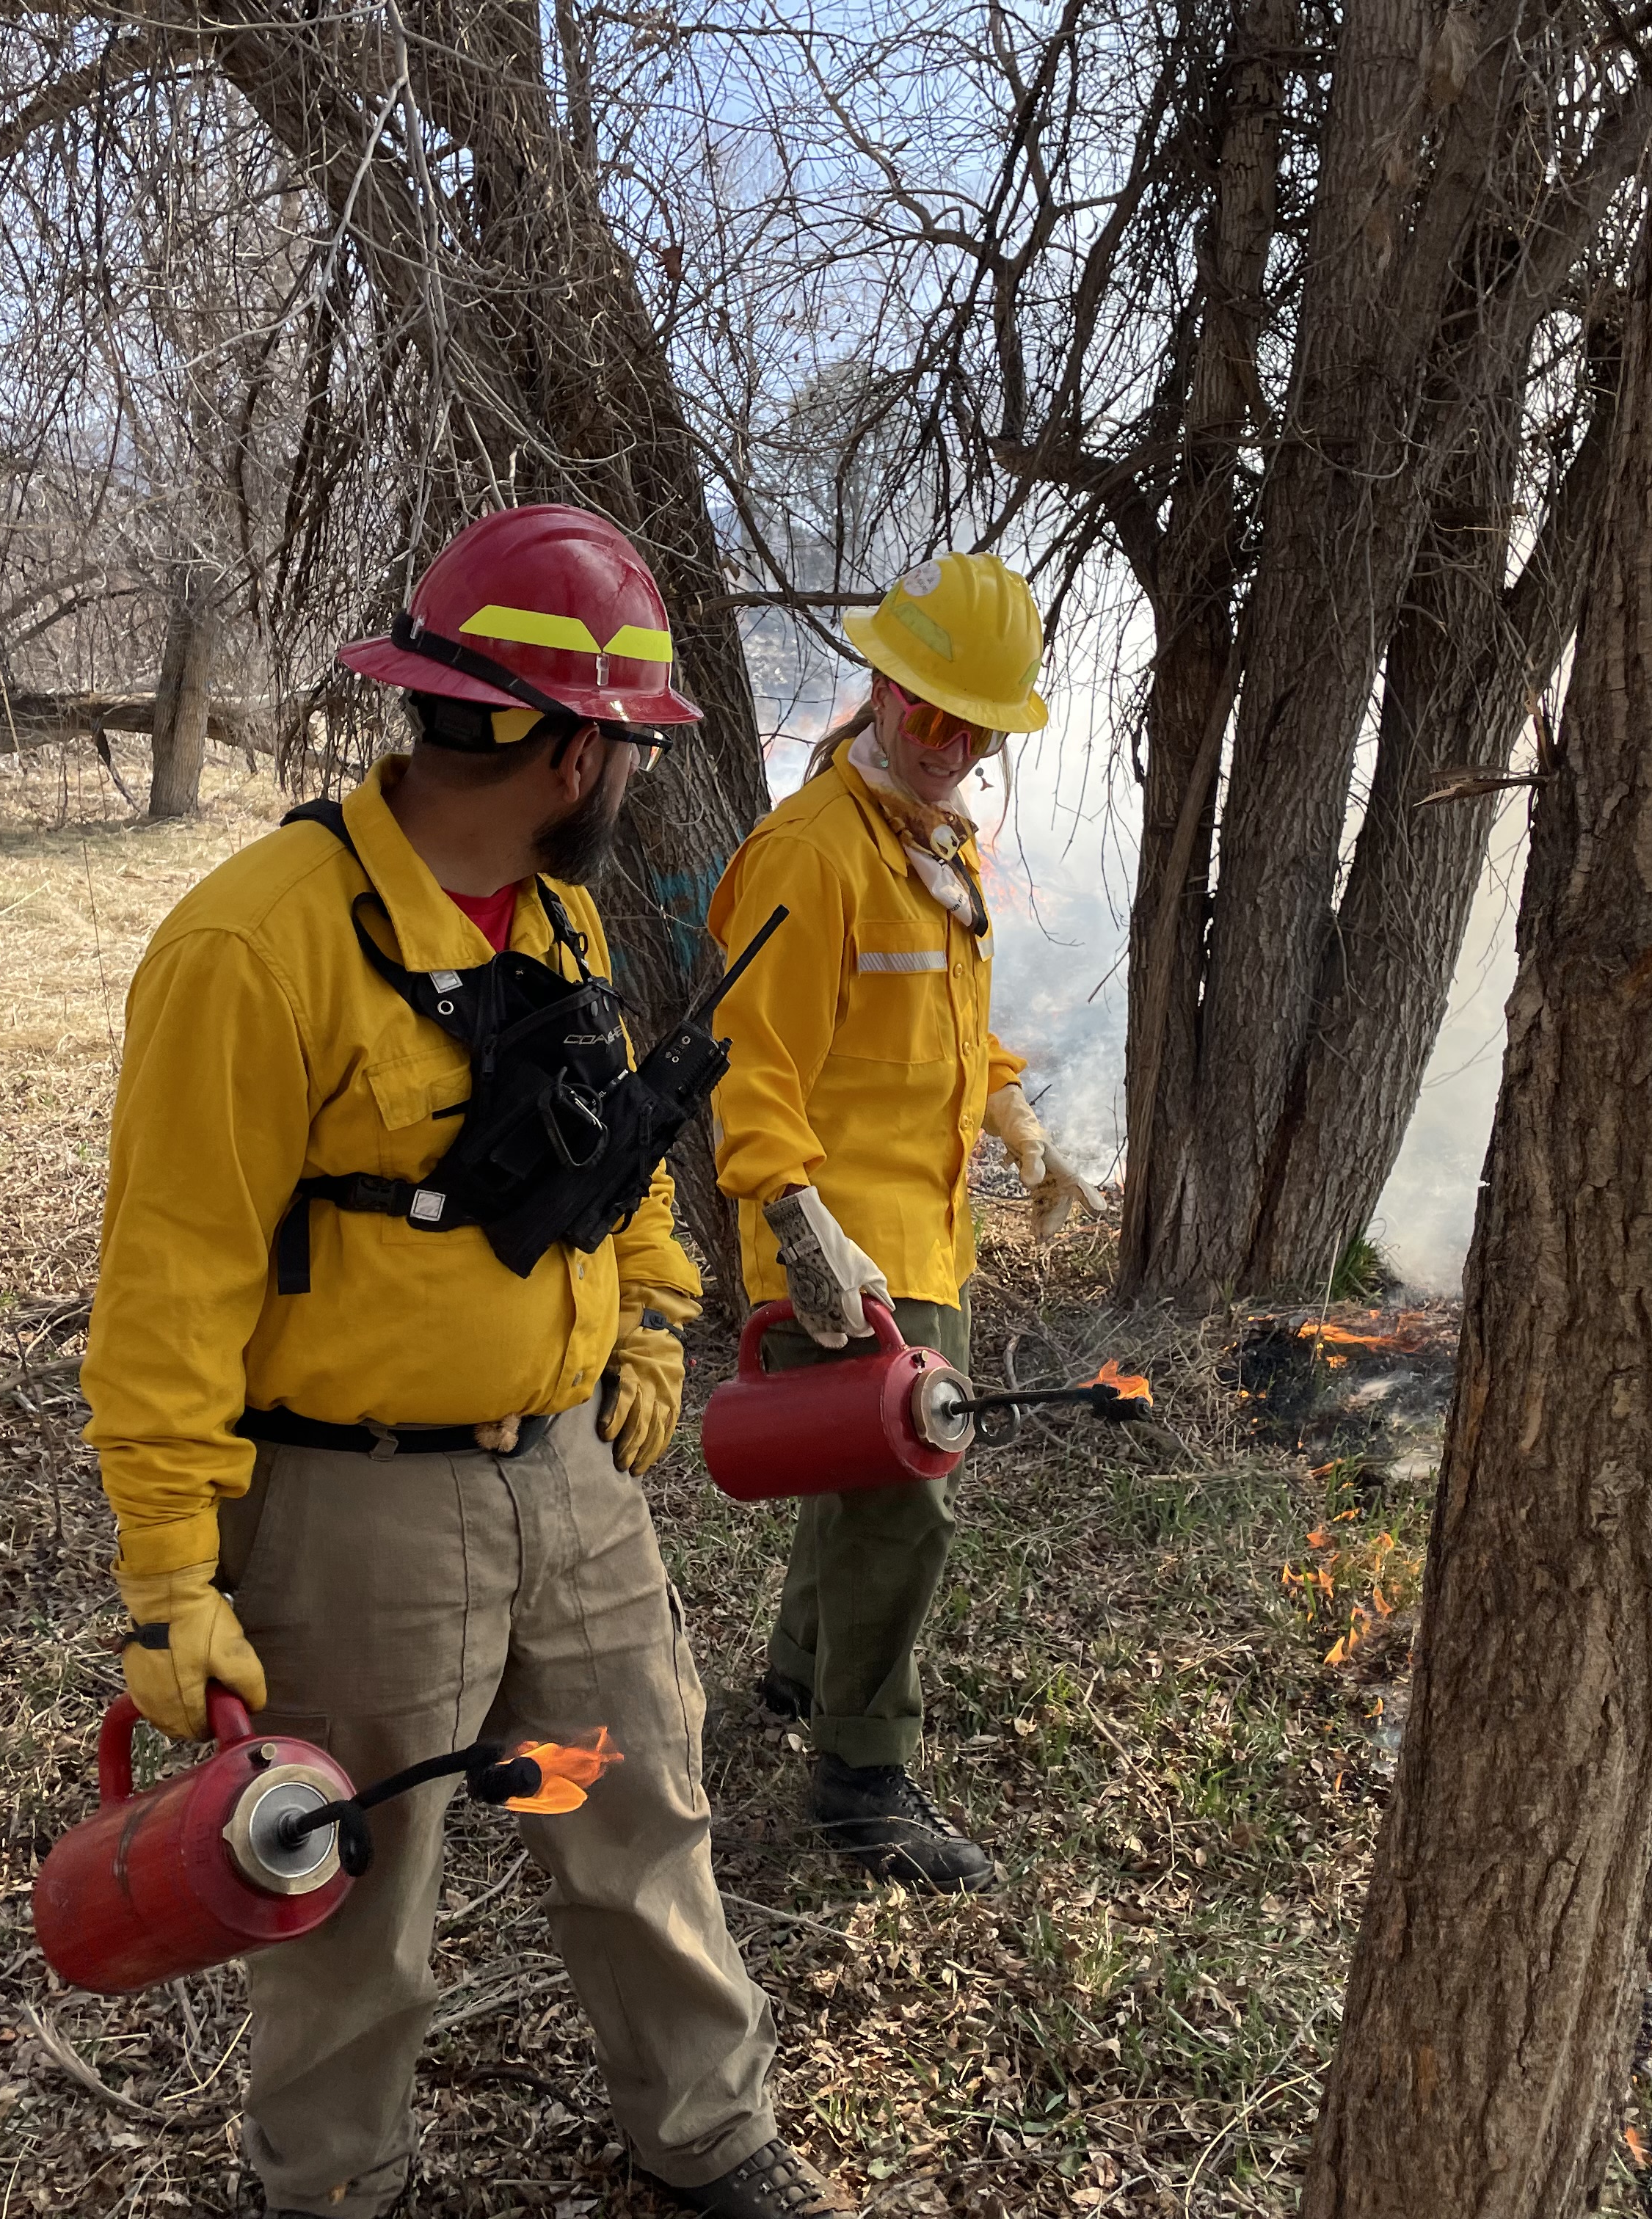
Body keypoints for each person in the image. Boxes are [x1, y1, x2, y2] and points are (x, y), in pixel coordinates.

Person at [79, 504, 845, 2219]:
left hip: (568, 1491)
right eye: (632, 750)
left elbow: (609, 1152)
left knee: (629, 1810)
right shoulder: (254, 946)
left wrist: (648, 1309)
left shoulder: (548, 926)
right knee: (355, 1889)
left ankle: (708, 2133)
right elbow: (169, 1291)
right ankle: (332, 2189)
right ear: (574, 750)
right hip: (359, 1534)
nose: (633, 779)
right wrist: (170, 1576)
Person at [702, 550, 1107, 1893]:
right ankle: (861, 1773)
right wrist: (792, 1208)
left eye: (978, 729)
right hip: (844, 1245)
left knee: (861, 1475)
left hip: (930, 1237)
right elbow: (748, 1058)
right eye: (932, 716)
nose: (952, 749)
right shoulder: (808, 857)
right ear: (881, 687)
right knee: (908, 1499)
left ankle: (797, 1674)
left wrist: (1020, 1128)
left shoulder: (942, 847)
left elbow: (946, 1031)